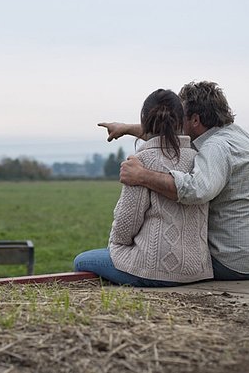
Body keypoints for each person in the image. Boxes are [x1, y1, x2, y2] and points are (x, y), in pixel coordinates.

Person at [99, 81, 249, 280]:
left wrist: (142, 175)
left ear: (195, 120)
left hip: (234, 262)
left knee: (98, 260)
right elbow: (167, 133)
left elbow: (196, 190)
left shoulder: (216, 147)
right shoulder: (237, 135)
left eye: (179, 116)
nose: (174, 122)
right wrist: (126, 128)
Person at [73, 89, 213, 287]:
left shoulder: (141, 161)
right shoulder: (199, 158)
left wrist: (116, 249)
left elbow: (125, 225)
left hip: (154, 270)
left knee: (82, 261)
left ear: (144, 121)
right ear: (182, 120)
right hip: (197, 269)